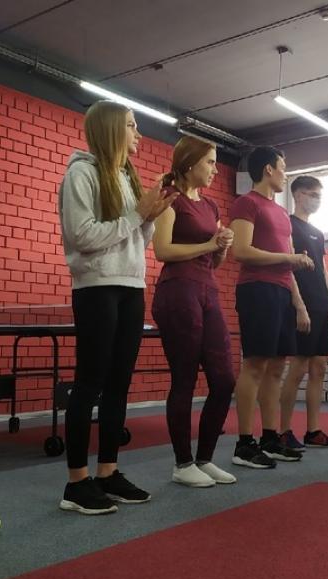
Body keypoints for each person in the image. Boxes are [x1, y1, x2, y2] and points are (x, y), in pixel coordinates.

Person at [58, 100, 175, 514]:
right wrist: (138, 213)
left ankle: (108, 472)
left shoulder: (126, 176)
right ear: (111, 130)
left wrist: (151, 214)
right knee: (89, 382)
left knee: (119, 384)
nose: (138, 133)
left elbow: (135, 238)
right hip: (96, 287)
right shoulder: (81, 173)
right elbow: (84, 236)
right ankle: (76, 483)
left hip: (130, 286)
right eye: (131, 125)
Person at [152, 136, 237, 487]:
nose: (215, 169)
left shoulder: (211, 206)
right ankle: (182, 463)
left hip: (207, 290)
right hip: (177, 291)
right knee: (184, 378)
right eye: (210, 162)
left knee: (224, 379)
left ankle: (204, 459)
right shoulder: (170, 199)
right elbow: (162, 250)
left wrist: (221, 248)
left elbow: (212, 261)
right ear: (189, 164)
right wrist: (209, 243)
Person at [230, 147, 313, 468]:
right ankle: (244, 444)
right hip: (257, 290)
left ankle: (269, 437)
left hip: (281, 292)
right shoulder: (247, 203)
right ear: (268, 169)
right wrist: (289, 258)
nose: (286, 174)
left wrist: (299, 303)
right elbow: (241, 250)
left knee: (277, 367)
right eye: (283, 167)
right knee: (255, 365)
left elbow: (288, 264)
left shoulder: (280, 213)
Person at [276, 176, 328, 451]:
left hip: (321, 305)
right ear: (297, 195)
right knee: (298, 367)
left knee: (319, 367)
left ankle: (314, 431)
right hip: (301, 303)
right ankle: (283, 431)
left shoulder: (317, 232)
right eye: (311, 194)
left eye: (319, 195)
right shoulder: (288, 225)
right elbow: (287, 267)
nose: (316, 199)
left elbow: (323, 270)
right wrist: (299, 305)